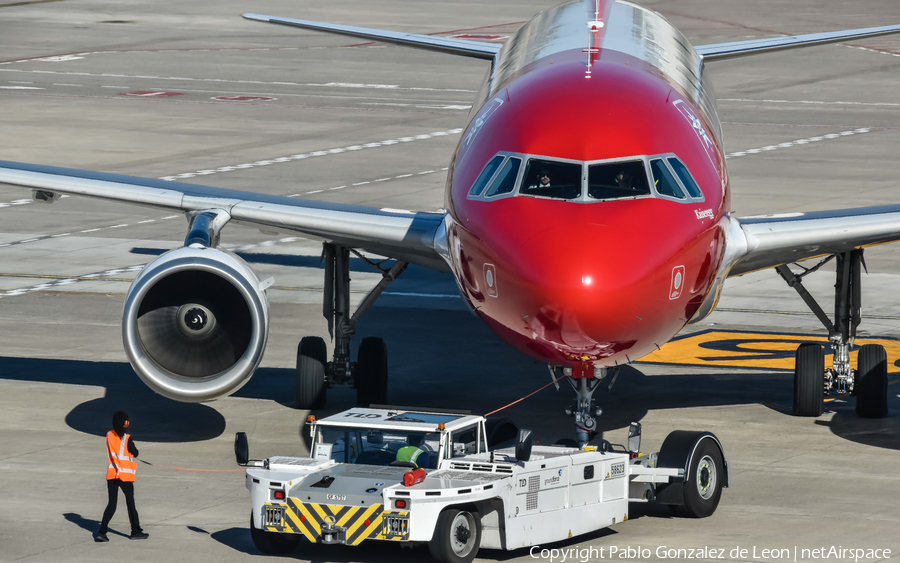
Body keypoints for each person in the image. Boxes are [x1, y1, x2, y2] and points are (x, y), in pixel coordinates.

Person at [95, 411, 148, 542]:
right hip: (125, 475)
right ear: (124, 423)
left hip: (112, 473)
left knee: (111, 505)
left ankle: (102, 532)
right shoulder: (127, 437)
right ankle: (135, 531)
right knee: (130, 504)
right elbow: (135, 453)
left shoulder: (108, 435)